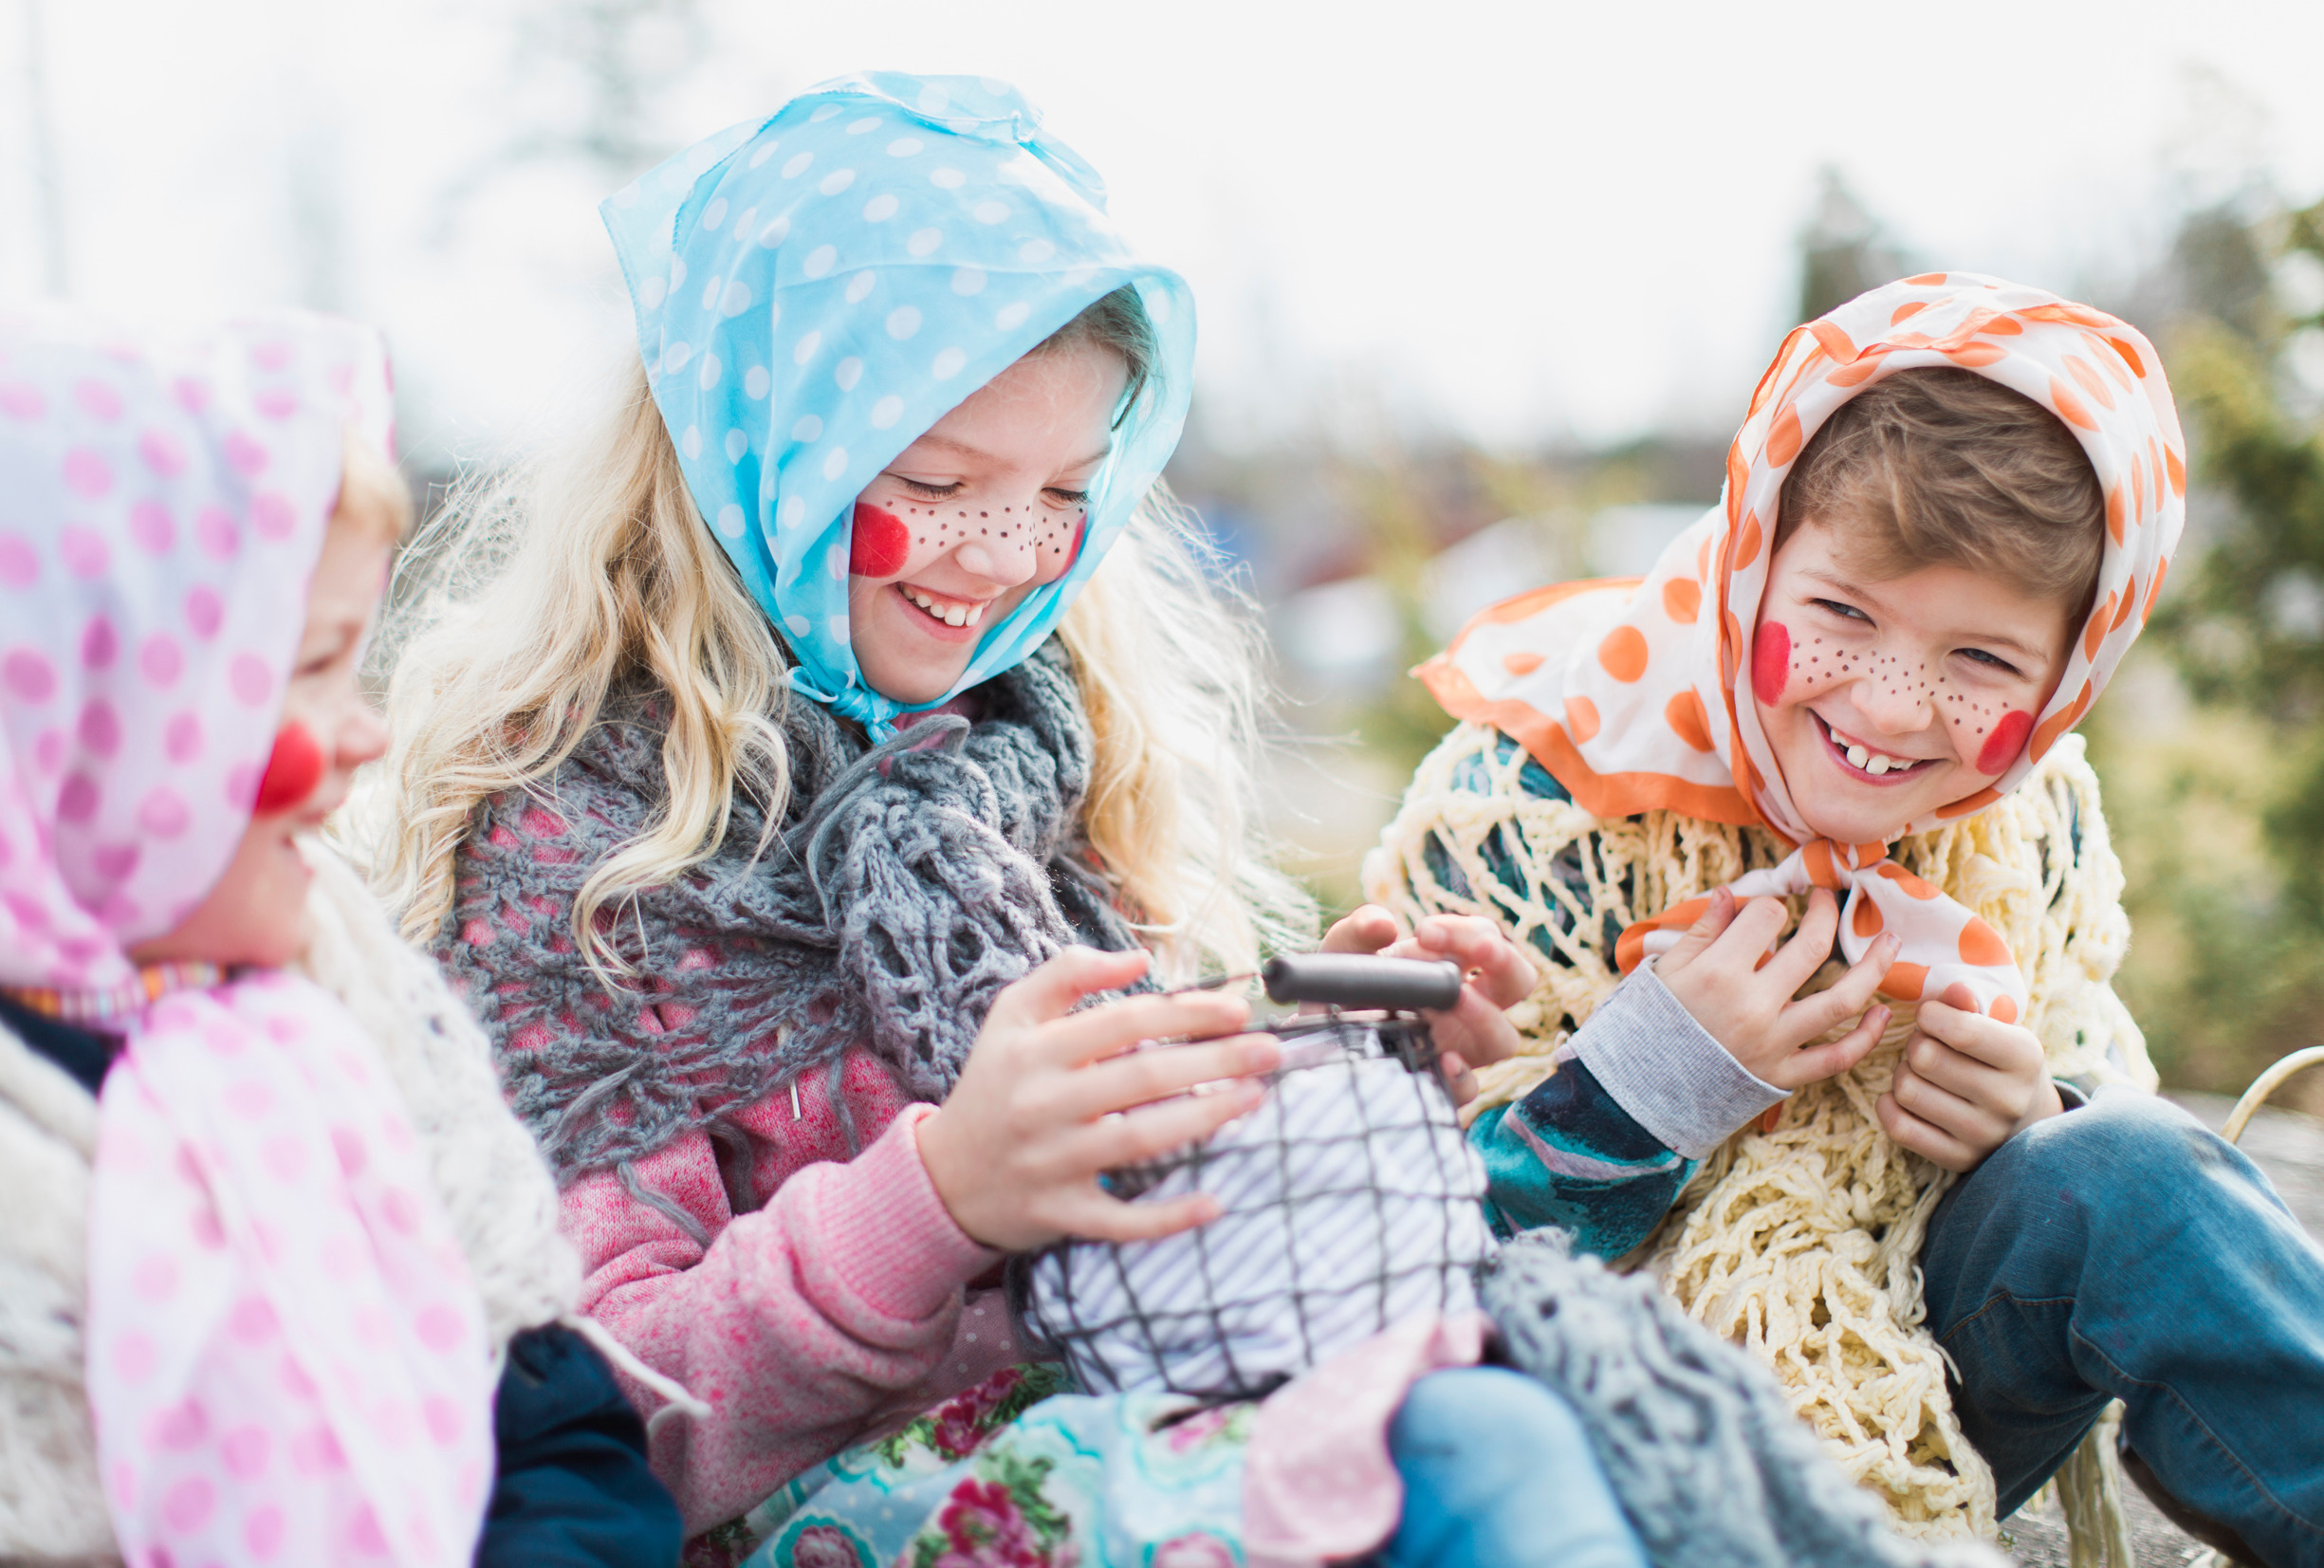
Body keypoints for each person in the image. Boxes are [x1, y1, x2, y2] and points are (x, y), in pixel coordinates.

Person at [371, 73, 1650, 1568]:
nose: (1004, 557)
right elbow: (595, 1410)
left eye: (1063, 495)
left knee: (1547, 1409)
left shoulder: (1035, 759)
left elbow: (1148, 1198)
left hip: (1135, 1417)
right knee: (1485, 1441)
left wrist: (1303, 1063)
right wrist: (943, 1194)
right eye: (935, 482)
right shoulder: (576, 852)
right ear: (750, 447)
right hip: (853, 1514)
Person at [1364, 274, 2324, 1563]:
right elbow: (1388, 1248)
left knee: (2129, 1167)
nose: (1892, 709)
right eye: (1842, 614)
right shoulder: (1536, 795)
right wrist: (1647, 1080)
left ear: (2070, 672)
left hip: (1921, 1392)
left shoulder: (2025, 814)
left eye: (1983, 662)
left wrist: (2033, 1116)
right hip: (1582, 1421)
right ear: (1753, 559)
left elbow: (2091, 1076)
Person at [0, 308, 681, 1565]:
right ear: (77, 719)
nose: (363, 734)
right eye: (307, 670)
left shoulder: (356, 1009)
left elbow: (555, 1435)